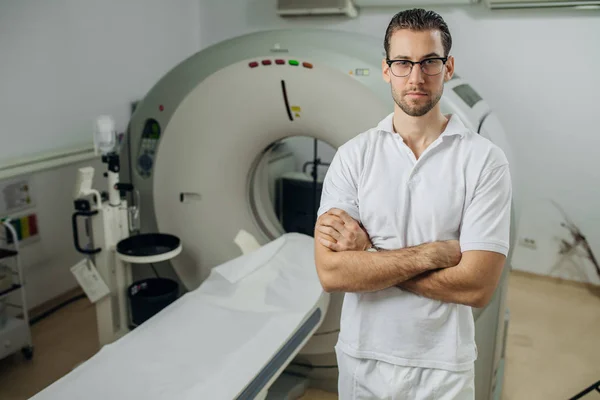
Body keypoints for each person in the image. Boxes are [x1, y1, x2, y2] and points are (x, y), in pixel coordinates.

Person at [313, 8, 512, 400]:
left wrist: (369, 257)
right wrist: (432, 254)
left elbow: (476, 287)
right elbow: (333, 273)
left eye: (429, 62)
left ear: (448, 67)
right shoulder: (354, 156)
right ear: (386, 69)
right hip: (362, 360)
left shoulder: (484, 161)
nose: (416, 77)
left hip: (443, 368)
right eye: (403, 63)